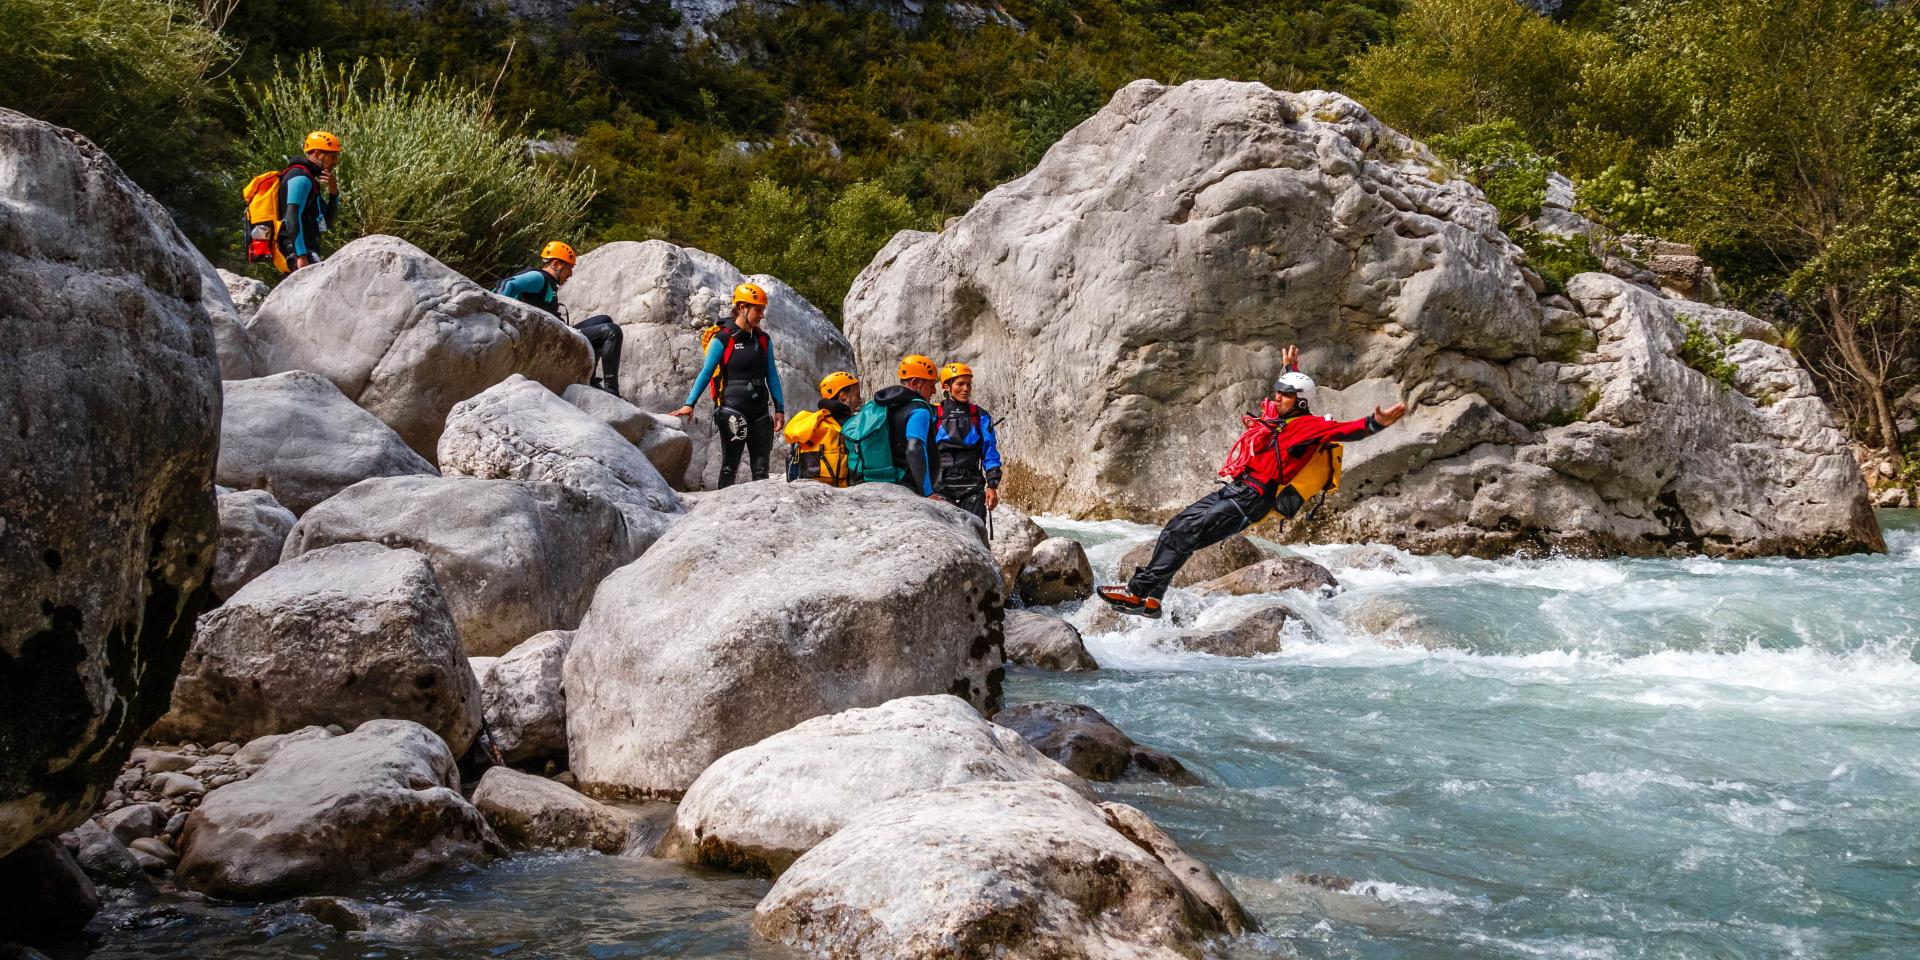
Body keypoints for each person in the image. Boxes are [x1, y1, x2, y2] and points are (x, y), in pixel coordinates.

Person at [1097, 345, 1409, 618]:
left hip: (1252, 499)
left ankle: (1137, 594)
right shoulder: (1279, 418)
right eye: (1278, 392)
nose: (1276, 398)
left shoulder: (1309, 427)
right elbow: (1292, 391)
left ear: (1299, 401)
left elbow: (1345, 431)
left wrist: (1375, 423)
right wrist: (1291, 368)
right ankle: (1152, 599)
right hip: (1235, 488)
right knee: (1175, 528)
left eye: (1283, 395)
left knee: (1187, 534)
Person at [671, 283, 785, 486]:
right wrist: (690, 403)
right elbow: (706, 372)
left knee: (761, 471)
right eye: (758, 309)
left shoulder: (763, 339)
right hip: (732, 409)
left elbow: (772, 375)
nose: (762, 315)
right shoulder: (723, 338)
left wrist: (779, 408)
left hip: (760, 413)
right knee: (729, 467)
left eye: (762, 310)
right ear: (742, 308)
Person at [496, 242, 622, 395]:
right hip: (550, 338)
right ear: (556, 263)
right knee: (612, 332)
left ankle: (590, 380)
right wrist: (499, 319)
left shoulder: (548, 283)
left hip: (558, 332)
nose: (570, 274)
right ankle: (612, 392)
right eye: (569, 268)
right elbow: (508, 284)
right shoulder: (539, 278)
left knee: (604, 320)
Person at [931, 362, 1003, 523]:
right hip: (941, 486)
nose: (966, 389)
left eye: (968, 384)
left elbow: (989, 452)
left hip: (972, 487)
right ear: (947, 387)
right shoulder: (934, 414)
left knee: (976, 533)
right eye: (960, 384)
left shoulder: (980, 416)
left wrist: (992, 486)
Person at [783, 371, 861, 486]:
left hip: (803, 485)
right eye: (857, 395)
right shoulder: (852, 424)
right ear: (843, 396)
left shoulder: (813, 423)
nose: (859, 400)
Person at [279, 131, 342, 271]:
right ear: (319, 154)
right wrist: (301, 255)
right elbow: (291, 217)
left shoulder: (309, 178)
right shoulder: (300, 177)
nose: (335, 162)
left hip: (306, 251)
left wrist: (333, 192)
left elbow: (327, 222)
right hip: (298, 253)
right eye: (333, 156)